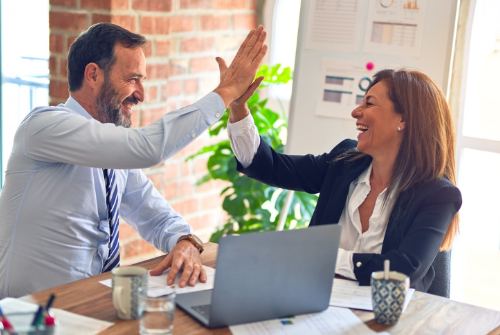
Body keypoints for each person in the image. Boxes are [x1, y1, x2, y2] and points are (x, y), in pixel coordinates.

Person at [0, 22, 267, 298]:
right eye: (132, 79)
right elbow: (148, 148)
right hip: (27, 315)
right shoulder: (44, 126)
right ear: (93, 75)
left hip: (89, 306)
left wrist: (185, 240)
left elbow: (154, 213)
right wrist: (225, 93)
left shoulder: (111, 153)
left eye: (142, 81)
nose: (141, 94)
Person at [226, 68, 462, 292]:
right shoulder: (344, 162)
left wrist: (324, 256)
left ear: (403, 120)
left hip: (391, 322)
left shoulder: (438, 195)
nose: (356, 112)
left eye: (369, 103)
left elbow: (403, 270)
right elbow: (271, 167)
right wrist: (238, 108)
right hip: (319, 304)